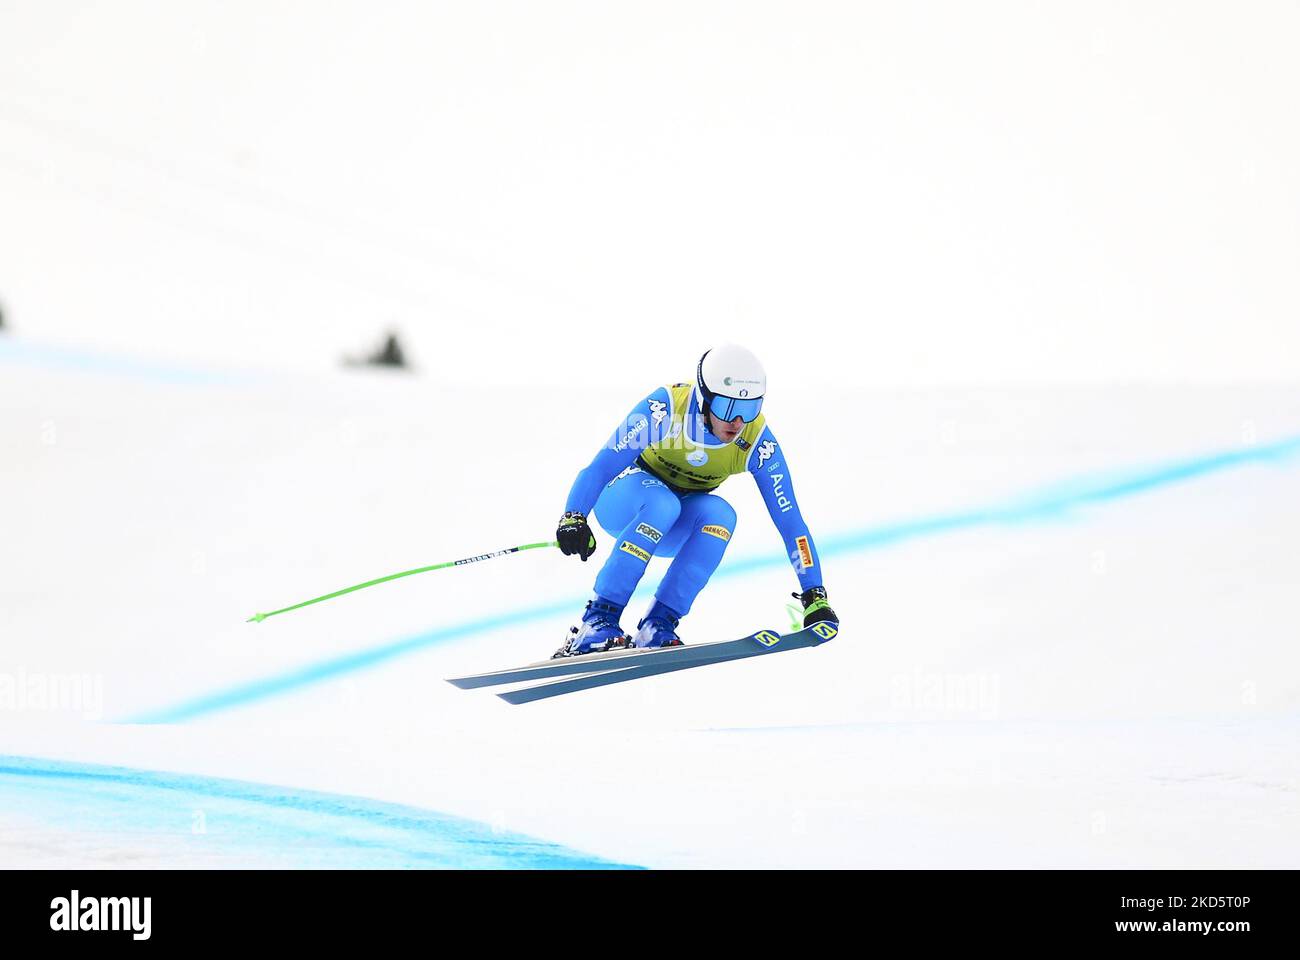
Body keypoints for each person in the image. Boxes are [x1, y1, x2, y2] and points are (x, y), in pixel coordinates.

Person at [554, 343, 837, 656]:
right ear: (704, 398)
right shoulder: (666, 408)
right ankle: (598, 619)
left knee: (721, 516)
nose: (738, 422)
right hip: (624, 503)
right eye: (729, 409)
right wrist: (574, 516)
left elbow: (790, 521)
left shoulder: (757, 440)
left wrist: (815, 593)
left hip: (673, 523)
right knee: (664, 503)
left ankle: (658, 624)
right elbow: (601, 467)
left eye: (750, 409)